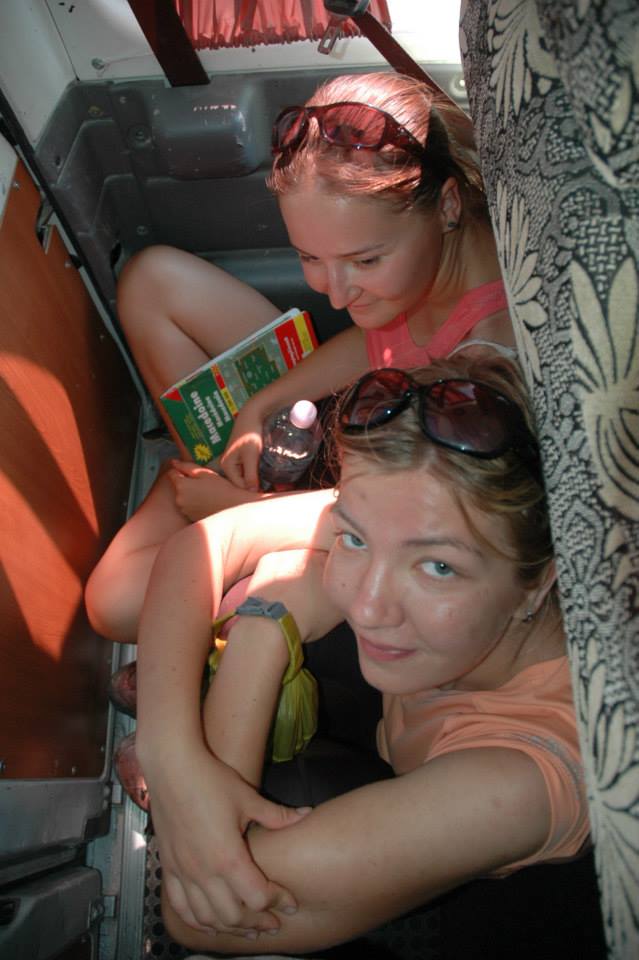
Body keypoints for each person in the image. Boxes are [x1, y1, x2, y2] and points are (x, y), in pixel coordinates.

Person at [133, 354, 589, 954]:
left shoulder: (522, 783)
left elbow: (199, 919)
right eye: (353, 537)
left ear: (539, 582)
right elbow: (206, 542)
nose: (368, 606)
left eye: (438, 567)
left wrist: (265, 625)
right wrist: (170, 753)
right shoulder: (410, 510)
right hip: (402, 719)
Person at [85, 70, 516, 646]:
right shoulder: (430, 264)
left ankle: (187, 484)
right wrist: (258, 409)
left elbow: (413, 518)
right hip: (364, 415)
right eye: (310, 258)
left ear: (447, 205)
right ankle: (209, 468)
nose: (335, 295)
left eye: (365, 261)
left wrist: (234, 510)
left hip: (380, 509)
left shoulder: (487, 362)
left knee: (113, 601)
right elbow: (375, 342)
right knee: (151, 280)